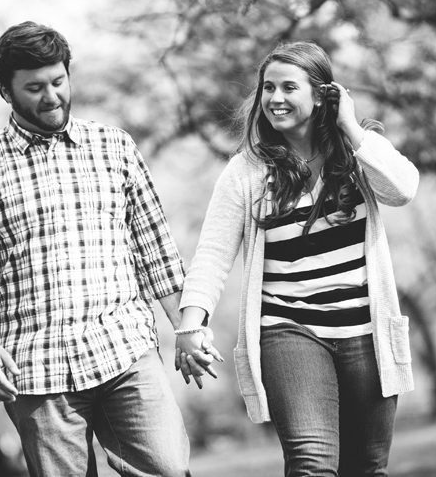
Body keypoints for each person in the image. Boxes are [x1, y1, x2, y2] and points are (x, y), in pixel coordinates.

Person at [0, 21, 211, 477]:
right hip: (37, 370)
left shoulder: (115, 148)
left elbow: (157, 253)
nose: (51, 97)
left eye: (58, 81)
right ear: (5, 92)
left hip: (124, 349)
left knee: (168, 469)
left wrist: (188, 328)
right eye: (34, 88)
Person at [175, 41, 418, 476]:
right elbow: (212, 254)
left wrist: (350, 127)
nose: (275, 98)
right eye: (268, 87)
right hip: (289, 331)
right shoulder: (247, 172)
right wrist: (191, 324)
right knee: (312, 464)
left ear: (322, 94)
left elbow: (403, 189)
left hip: (365, 331)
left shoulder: (358, 153)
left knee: (367, 467)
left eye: (289, 87)